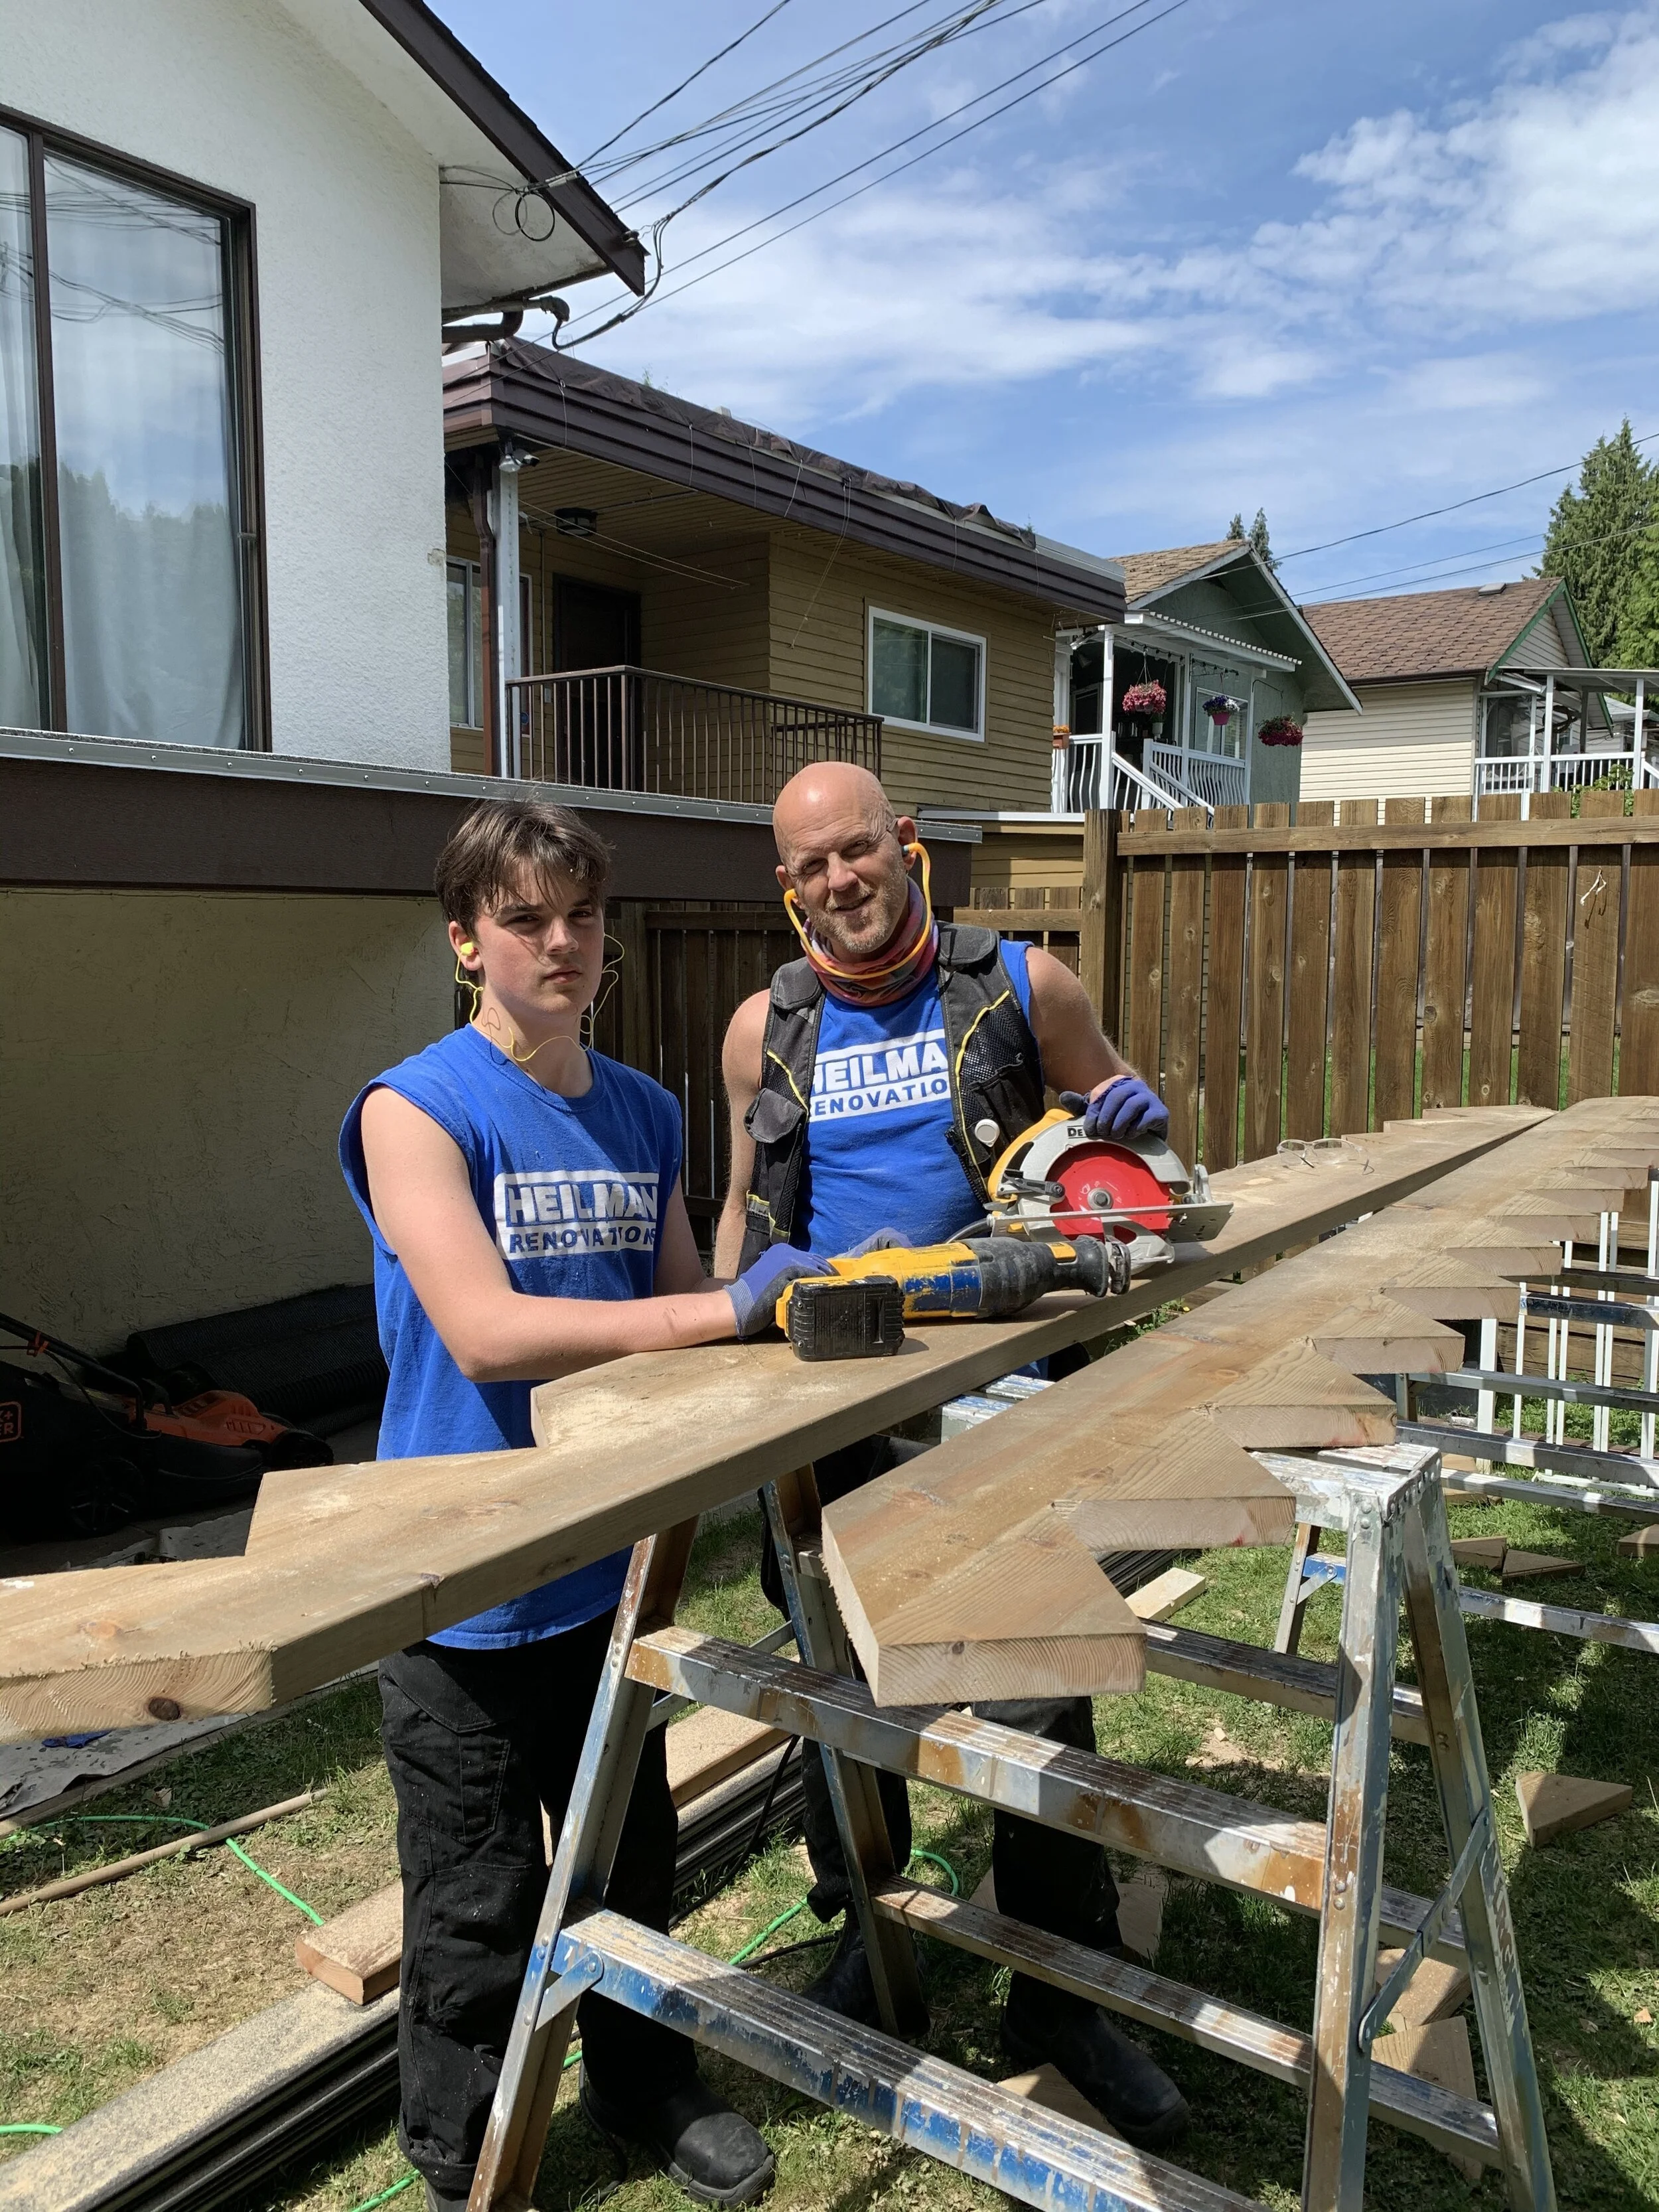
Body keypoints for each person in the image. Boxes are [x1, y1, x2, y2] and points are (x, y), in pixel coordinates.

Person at [341, 798, 816, 2212]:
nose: (560, 943)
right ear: (465, 941)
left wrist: (758, 1310)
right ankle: (467, 2152)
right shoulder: (409, 1108)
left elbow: (674, 1313)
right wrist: (712, 1310)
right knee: (475, 1901)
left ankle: (641, 2081)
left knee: (627, 1860)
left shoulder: (642, 1107)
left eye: (581, 915)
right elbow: (485, 1331)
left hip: (611, 1577)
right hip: (462, 1586)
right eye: (524, 919)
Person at [714, 763, 1189, 2152]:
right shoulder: (763, 1028)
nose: (840, 880)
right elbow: (744, 1215)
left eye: (858, 849)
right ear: (787, 884)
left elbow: (1135, 1177)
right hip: (831, 1414)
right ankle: (871, 1930)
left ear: (906, 845)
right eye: (811, 865)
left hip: (1007, 1400)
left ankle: (1061, 1985)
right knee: (834, 1680)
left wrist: (1135, 1147)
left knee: (1041, 1681)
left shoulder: (1022, 987)